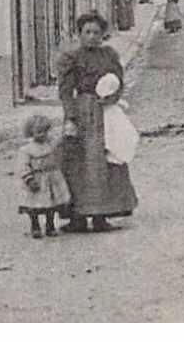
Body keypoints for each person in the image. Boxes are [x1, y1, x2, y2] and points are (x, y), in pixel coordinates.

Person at [57, 12, 138, 232]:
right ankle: (78, 217)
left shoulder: (109, 55)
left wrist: (112, 97)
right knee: (78, 163)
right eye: (87, 32)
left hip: (106, 112)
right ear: (80, 34)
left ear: (103, 35)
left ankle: (102, 215)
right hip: (83, 112)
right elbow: (65, 91)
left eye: (96, 33)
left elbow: (119, 81)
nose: (92, 37)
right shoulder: (71, 58)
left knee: (108, 159)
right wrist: (71, 118)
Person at [15, 114, 70, 239]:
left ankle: (50, 225)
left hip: (52, 178)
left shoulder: (50, 144)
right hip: (37, 178)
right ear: (30, 133)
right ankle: (35, 225)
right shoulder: (27, 149)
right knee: (34, 204)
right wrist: (28, 179)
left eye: (45, 131)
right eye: (39, 132)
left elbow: (59, 148)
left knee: (52, 203)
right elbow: (23, 166)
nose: (42, 135)